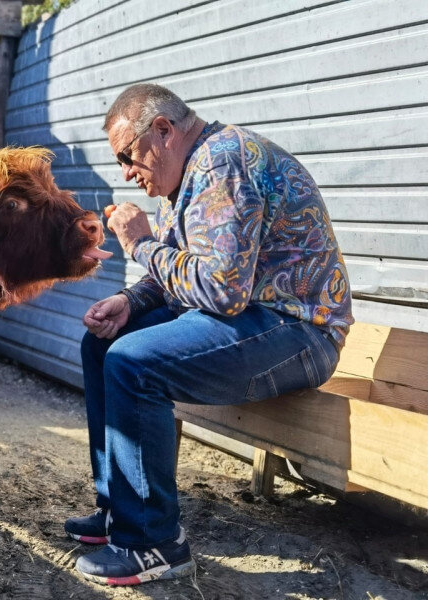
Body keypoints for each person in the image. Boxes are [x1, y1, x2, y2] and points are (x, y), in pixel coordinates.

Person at [65, 84, 353, 586]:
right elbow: (185, 272)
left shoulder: (224, 165)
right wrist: (130, 302)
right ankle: (119, 510)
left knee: (133, 362)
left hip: (300, 330)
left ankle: (153, 543)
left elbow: (221, 291)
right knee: (104, 343)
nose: (126, 173)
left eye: (127, 156)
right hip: (254, 321)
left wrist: (140, 245)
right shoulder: (187, 175)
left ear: (163, 130)